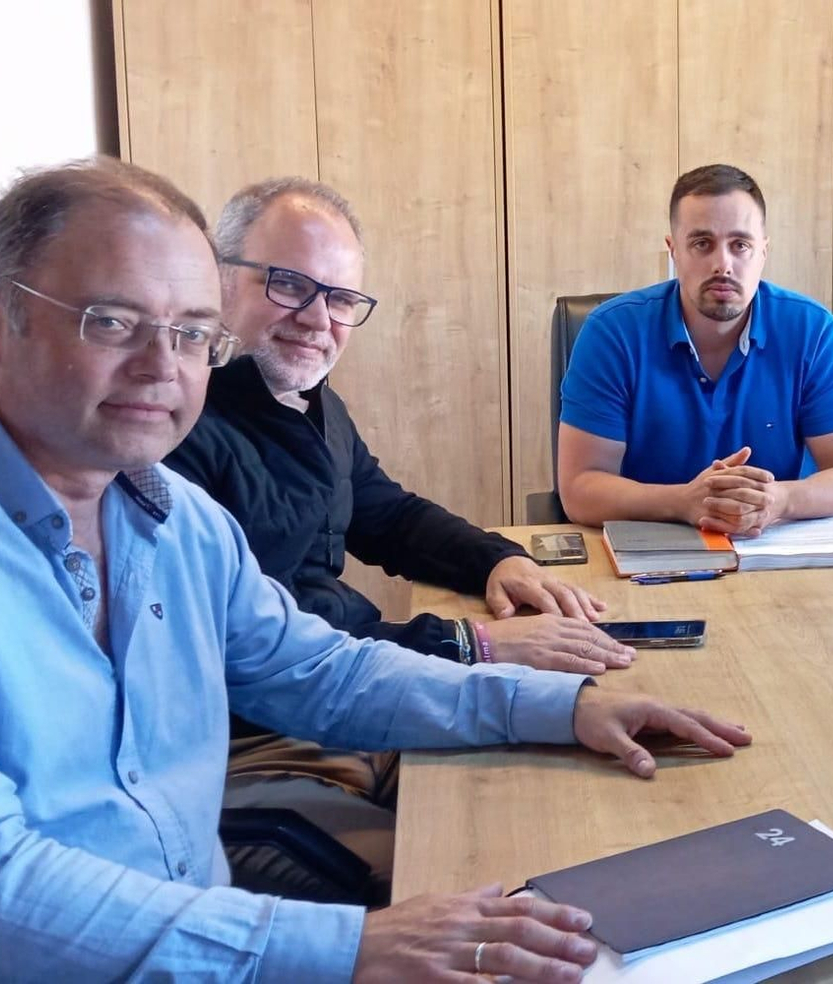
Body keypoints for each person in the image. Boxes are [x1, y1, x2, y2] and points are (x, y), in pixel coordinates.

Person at [0, 157, 751, 982]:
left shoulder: (173, 516)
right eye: (112, 321)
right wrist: (346, 949)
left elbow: (317, 671)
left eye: (191, 333)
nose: (164, 367)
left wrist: (561, 707)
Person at [165, 177, 633, 888]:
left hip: (338, 692)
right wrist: (466, 643)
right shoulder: (179, 433)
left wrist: (495, 563)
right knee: (497, 855)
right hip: (255, 737)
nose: (317, 318)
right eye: (290, 284)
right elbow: (278, 650)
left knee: (564, 794)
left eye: (341, 298)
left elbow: (385, 512)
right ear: (220, 278)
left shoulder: (303, 398)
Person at [555, 164, 833, 535]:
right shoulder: (611, 334)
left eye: (740, 245)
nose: (723, 264)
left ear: (763, 252)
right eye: (702, 244)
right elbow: (580, 489)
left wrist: (779, 500)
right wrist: (684, 502)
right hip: (650, 551)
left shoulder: (812, 332)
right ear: (673, 250)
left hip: (772, 552)